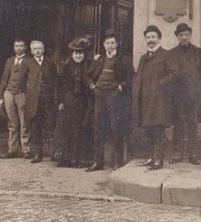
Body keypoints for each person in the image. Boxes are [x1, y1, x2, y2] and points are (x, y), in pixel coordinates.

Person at [85, 29, 133, 171]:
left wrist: (120, 87)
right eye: (107, 43)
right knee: (98, 127)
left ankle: (117, 161)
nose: (110, 46)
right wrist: (92, 86)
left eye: (113, 43)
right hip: (99, 95)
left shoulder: (123, 60)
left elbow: (131, 77)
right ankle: (98, 161)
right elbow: (87, 76)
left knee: (115, 127)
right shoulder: (99, 60)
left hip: (114, 96)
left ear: (117, 44)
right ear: (104, 45)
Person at [133, 25, 175, 170]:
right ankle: (151, 158)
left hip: (159, 100)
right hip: (145, 100)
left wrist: (159, 84)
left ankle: (158, 160)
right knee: (148, 130)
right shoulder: (144, 58)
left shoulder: (166, 55)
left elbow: (174, 74)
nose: (150, 40)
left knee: (158, 130)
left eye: (153, 37)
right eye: (148, 37)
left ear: (159, 38)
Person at [166, 22, 201, 165]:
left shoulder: (198, 53)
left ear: (190, 35)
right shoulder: (171, 54)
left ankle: (193, 154)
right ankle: (177, 153)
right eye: (181, 35)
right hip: (177, 96)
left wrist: (198, 91)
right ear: (177, 36)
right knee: (178, 124)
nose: (184, 37)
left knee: (193, 124)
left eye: (186, 34)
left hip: (193, 96)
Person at [56, 37, 93, 168]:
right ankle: (65, 158)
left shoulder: (89, 66)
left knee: (80, 129)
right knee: (66, 129)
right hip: (68, 101)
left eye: (80, 53)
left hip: (83, 101)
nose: (78, 56)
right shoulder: (66, 67)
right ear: (72, 54)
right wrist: (60, 101)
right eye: (76, 53)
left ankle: (78, 159)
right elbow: (60, 85)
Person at [0, 38, 32, 158]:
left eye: (21, 46)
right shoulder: (9, 61)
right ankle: (12, 150)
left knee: (24, 122)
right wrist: (1, 96)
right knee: (12, 122)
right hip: (8, 93)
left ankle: (26, 149)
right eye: (16, 46)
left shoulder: (29, 61)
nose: (19, 48)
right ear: (13, 47)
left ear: (25, 48)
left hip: (22, 93)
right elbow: (4, 78)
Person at [25, 39, 58, 163]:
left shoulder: (50, 63)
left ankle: (51, 152)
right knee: (35, 126)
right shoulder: (28, 63)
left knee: (49, 125)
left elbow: (55, 81)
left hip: (47, 100)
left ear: (43, 49)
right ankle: (37, 154)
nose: (37, 51)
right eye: (35, 49)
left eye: (39, 48)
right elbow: (23, 81)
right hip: (33, 101)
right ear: (32, 51)